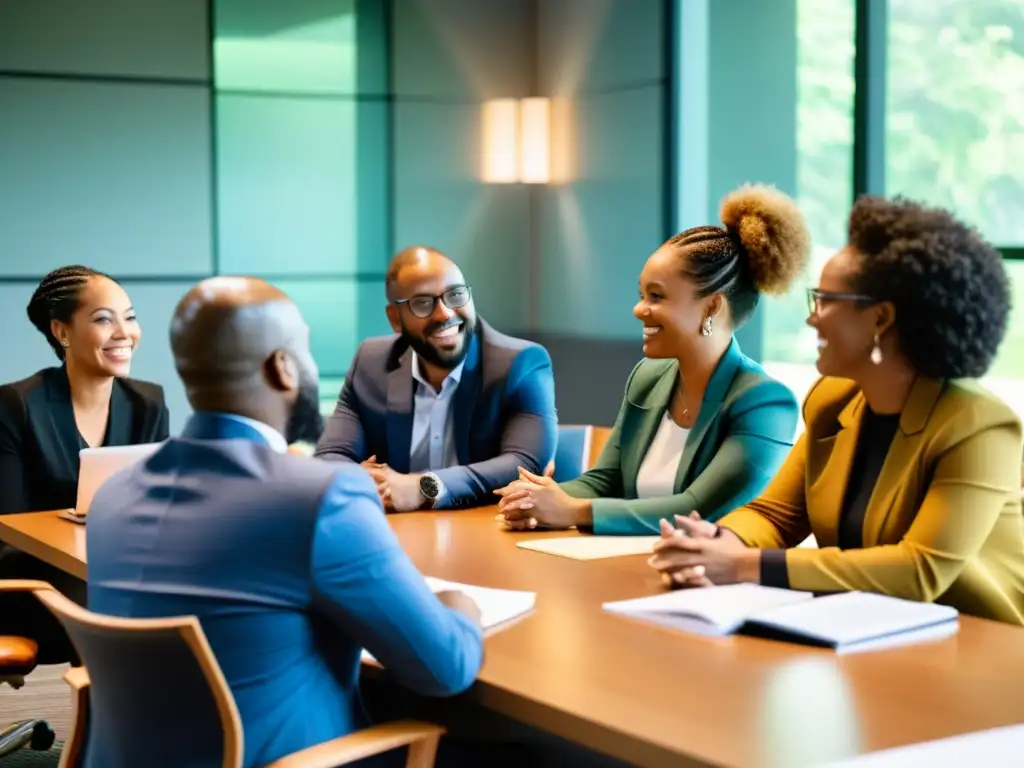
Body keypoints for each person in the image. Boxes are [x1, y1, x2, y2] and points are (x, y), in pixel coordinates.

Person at [86, 277, 486, 768]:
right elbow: (444, 667)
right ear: (282, 367)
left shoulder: (114, 494)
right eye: (307, 350)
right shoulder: (321, 497)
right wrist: (460, 605)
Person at [649, 196, 1024, 625]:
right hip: (870, 633)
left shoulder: (980, 427)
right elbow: (775, 514)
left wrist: (742, 565)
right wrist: (719, 540)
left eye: (825, 300)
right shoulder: (834, 400)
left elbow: (919, 571)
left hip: (983, 646)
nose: (813, 319)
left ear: (880, 319)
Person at [496, 184, 809, 535]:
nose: (639, 309)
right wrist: (535, 498)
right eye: (642, 294)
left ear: (712, 306)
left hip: (710, 580)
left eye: (656, 296)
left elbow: (696, 510)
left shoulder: (765, 403)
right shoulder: (649, 375)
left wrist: (571, 510)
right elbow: (605, 481)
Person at [0, 265, 168, 664]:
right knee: (123, 613)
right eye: (103, 320)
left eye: (129, 317)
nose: (124, 333)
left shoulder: (148, 403)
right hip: (28, 583)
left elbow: (159, 510)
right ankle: (108, 724)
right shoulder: (16, 405)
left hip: (114, 573)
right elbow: (8, 533)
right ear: (61, 332)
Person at [315, 246, 558, 511]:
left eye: (455, 295)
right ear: (395, 319)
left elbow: (523, 463)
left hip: (485, 529)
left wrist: (424, 487)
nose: (445, 313)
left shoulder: (521, 363)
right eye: (422, 303)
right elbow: (330, 456)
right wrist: (360, 479)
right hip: (399, 532)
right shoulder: (371, 362)